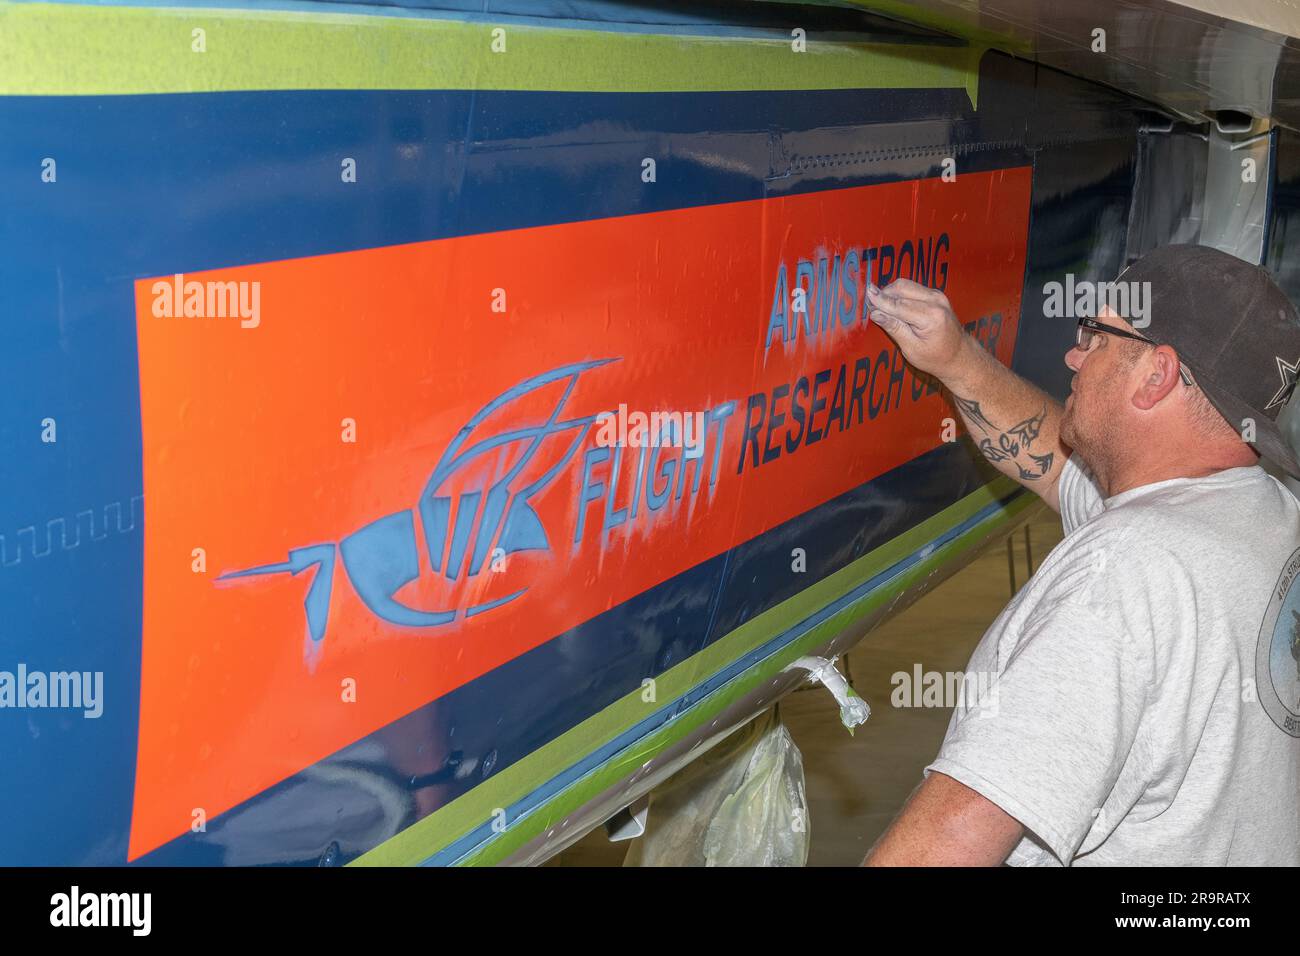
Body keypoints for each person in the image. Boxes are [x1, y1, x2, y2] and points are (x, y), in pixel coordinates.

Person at [861, 244, 1300, 866]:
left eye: (1096, 334)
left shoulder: (1123, 575)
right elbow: (1054, 456)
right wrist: (956, 359)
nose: (1073, 353)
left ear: (1156, 375)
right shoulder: (1263, 514)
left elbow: (949, 845)